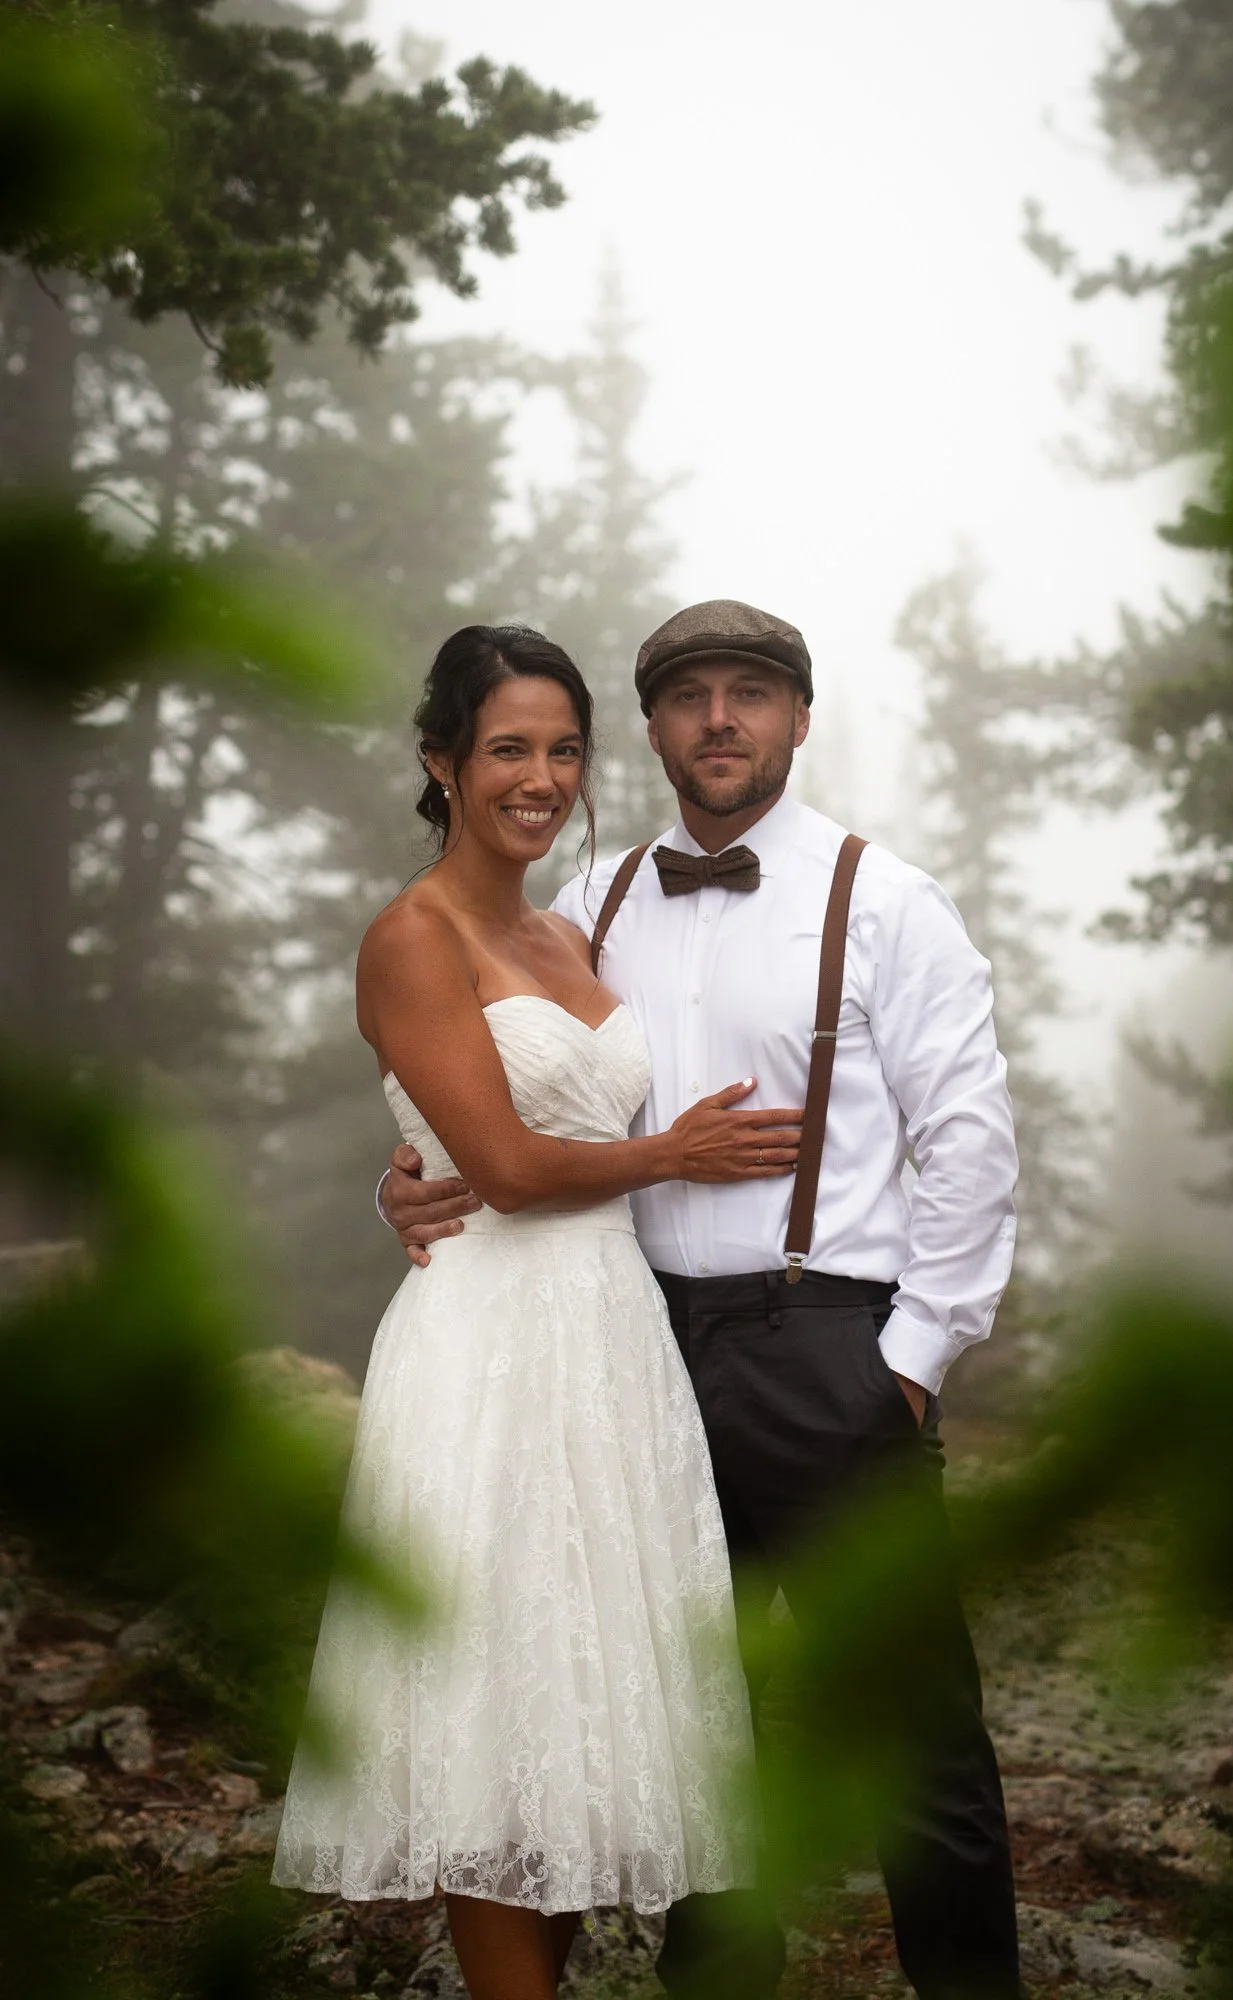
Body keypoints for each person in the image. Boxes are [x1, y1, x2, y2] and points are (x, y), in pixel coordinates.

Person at [381, 600, 1025, 2000]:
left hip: (827, 1346)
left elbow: (970, 1142)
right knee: (684, 1732)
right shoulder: (589, 902)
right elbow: (498, 1078)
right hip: (629, 1356)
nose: (720, 720)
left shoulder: (887, 898)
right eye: (689, 698)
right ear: (657, 728)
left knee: (916, 1745)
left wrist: (906, 1365)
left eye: (751, 694)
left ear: (798, 719)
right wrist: (417, 1175)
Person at [274, 624, 809, 2000]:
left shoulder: (567, 931)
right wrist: (668, 1156)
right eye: (508, 747)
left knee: (577, 1710)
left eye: (564, 748)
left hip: (608, 1341)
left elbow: (496, 1132)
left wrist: (414, 1174)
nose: (542, 775)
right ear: (442, 762)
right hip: (490, 1352)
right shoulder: (411, 936)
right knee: (487, 1714)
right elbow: (504, 1165)